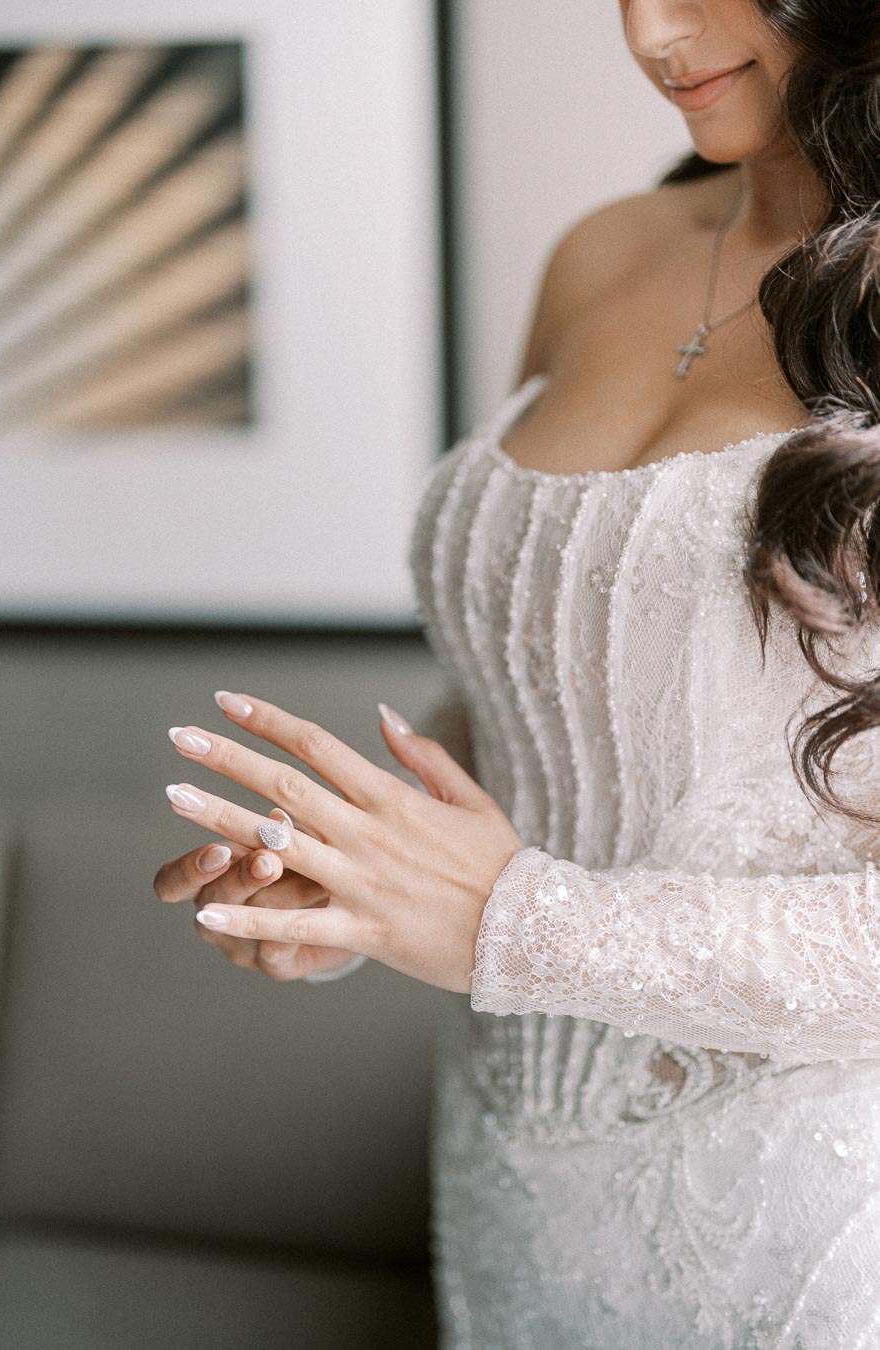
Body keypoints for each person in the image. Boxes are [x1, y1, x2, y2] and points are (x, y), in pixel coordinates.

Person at [153, 0, 880, 1343]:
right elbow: (557, 695)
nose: (653, 30)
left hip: (811, 1227)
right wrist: (357, 877)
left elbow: (515, 903)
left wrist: (515, 923)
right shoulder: (599, 253)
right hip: (514, 1168)